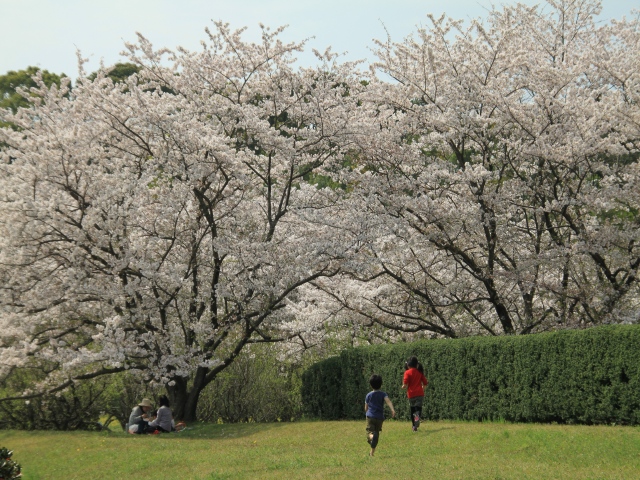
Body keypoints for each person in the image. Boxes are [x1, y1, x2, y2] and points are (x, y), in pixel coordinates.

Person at [364, 374, 396, 457]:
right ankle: (371, 453)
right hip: (380, 418)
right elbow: (388, 401)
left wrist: (367, 413)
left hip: (370, 417)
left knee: (369, 434)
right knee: (376, 435)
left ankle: (372, 436)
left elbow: (366, 407)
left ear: (371, 385)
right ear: (381, 384)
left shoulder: (368, 395)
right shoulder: (383, 394)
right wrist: (392, 409)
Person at [402, 356, 428, 432]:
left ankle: (414, 427)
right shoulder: (419, 372)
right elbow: (425, 382)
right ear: (416, 364)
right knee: (418, 408)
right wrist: (423, 388)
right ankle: (417, 417)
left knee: (412, 410)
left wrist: (403, 385)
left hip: (411, 394)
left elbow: (405, 383)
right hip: (419, 394)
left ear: (408, 365)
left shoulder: (407, 372)